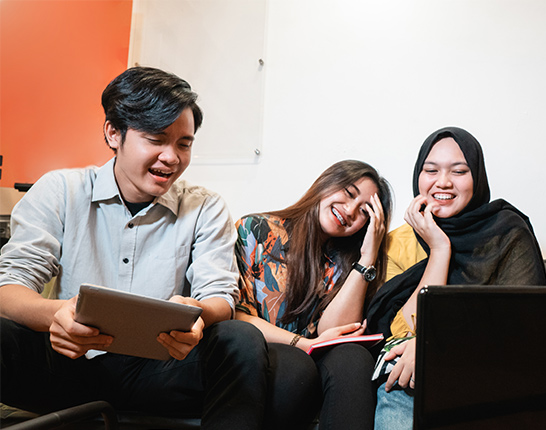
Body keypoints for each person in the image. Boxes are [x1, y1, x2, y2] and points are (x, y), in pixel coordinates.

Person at [0, 67, 265, 429]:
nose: (172, 157)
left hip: (162, 368)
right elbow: (9, 287)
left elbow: (220, 297)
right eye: (156, 139)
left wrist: (195, 313)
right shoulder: (61, 189)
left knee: (241, 339)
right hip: (69, 359)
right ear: (114, 133)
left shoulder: (205, 207)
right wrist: (57, 314)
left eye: (183, 144)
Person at [366, 126, 546, 430]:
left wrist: (432, 345)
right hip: (412, 378)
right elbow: (403, 329)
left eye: (459, 171)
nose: (443, 182)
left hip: (490, 370)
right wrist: (439, 249)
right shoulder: (399, 241)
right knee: (397, 375)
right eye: (431, 170)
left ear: (477, 178)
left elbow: (522, 322)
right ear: (418, 176)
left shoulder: (507, 231)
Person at [234, 160, 393, 429]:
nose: (350, 211)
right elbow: (237, 316)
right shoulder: (256, 229)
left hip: (315, 368)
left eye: (364, 212)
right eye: (348, 193)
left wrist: (367, 258)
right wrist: (302, 344)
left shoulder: (345, 260)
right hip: (264, 356)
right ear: (327, 183)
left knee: (354, 359)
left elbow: (335, 330)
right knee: (294, 366)